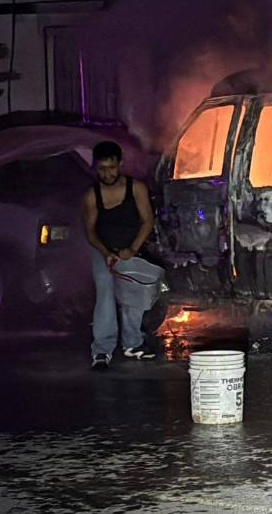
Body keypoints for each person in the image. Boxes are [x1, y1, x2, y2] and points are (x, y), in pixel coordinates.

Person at [82, 140, 157, 370]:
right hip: (102, 250)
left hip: (131, 248)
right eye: (102, 169)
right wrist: (106, 253)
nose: (107, 174)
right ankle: (102, 350)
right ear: (95, 167)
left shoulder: (136, 188)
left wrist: (132, 249)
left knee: (133, 295)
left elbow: (147, 220)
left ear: (120, 164)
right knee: (105, 292)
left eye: (111, 168)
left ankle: (133, 343)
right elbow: (90, 232)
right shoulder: (91, 196)